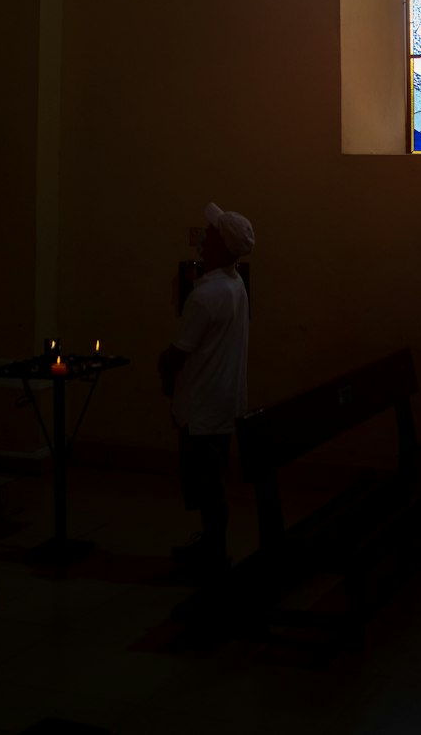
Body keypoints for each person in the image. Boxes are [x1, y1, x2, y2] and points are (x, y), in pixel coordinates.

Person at [158, 201, 254, 579]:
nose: (202, 240)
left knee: (206, 483)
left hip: (203, 403)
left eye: (209, 235)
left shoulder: (205, 296)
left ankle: (214, 550)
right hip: (223, 399)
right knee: (210, 479)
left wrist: (164, 370)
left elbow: (179, 353)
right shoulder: (235, 285)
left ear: (220, 246)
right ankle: (211, 543)